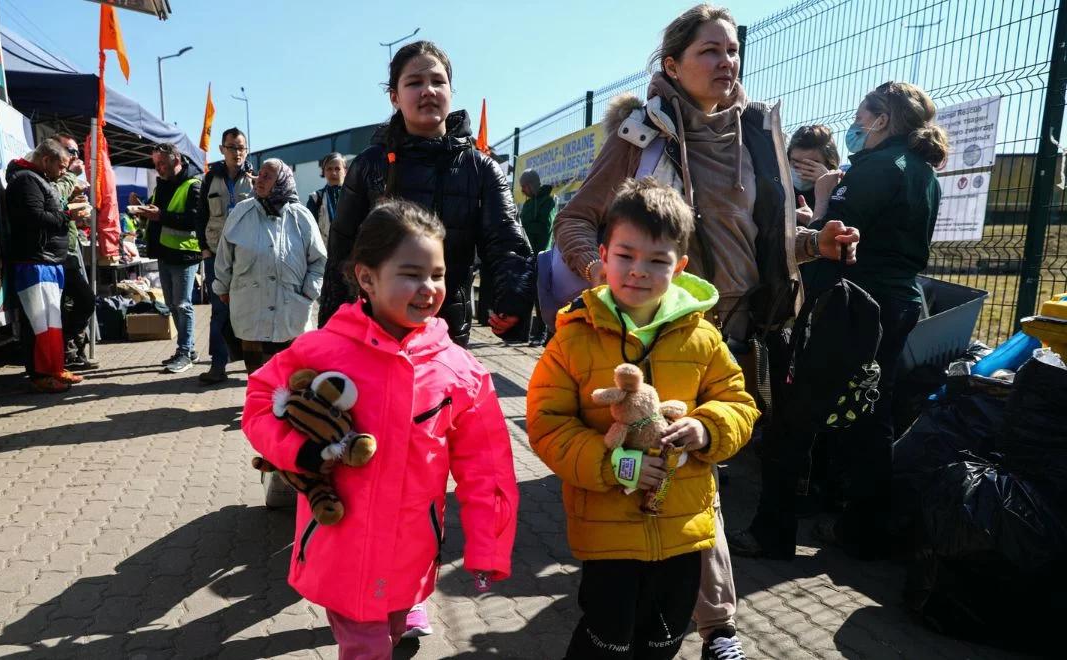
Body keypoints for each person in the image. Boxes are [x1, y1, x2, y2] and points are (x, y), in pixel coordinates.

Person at [548, 7, 861, 656]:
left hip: (732, 333)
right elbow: (576, 222)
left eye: (731, 52)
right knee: (673, 473)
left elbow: (768, 244)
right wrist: (610, 279)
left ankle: (699, 619)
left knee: (699, 466)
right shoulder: (642, 135)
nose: (727, 62)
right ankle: (705, 624)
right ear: (672, 65)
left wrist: (816, 242)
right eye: (709, 51)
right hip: (652, 333)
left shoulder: (757, 135)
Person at [242, 199, 518, 659]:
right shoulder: (321, 349)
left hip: (412, 549)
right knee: (367, 647)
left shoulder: (461, 371)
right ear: (366, 278)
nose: (428, 288)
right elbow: (259, 403)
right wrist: (300, 452)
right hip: (343, 544)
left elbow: (487, 468)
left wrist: (488, 547)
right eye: (411, 273)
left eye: (438, 274)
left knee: (389, 632)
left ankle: (404, 617)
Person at [528, 178, 758, 659]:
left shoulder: (702, 336)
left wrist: (707, 427)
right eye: (626, 256)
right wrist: (617, 465)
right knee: (606, 637)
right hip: (607, 529)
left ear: (679, 267)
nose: (639, 271)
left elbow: (739, 401)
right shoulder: (574, 337)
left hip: (683, 527)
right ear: (603, 256)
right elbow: (548, 422)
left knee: (664, 636)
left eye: (657, 261)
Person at [735, 82, 947, 561]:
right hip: (899, 301)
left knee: (794, 414)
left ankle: (773, 531)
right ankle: (865, 529)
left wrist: (826, 202)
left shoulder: (874, 168)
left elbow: (838, 243)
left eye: (862, 115)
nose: (857, 125)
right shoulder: (923, 173)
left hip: (852, 304)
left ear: (883, 119)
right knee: (872, 413)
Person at [317, 40, 534, 349]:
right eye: (414, 82)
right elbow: (342, 252)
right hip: (373, 332)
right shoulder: (369, 165)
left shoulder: (481, 168)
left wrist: (511, 300)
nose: (428, 90)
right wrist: (330, 334)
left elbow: (507, 243)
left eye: (437, 81)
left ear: (450, 91)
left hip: (448, 332)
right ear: (395, 97)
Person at [212, 159, 325, 375]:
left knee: (291, 373)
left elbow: (318, 260)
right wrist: (222, 288)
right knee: (256, 373)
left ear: (282, 181)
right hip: (249, 305)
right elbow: (224, 255)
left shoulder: (300, 216)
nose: (259, 180)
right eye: (260, 174)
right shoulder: (241, 212)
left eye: (267, 176)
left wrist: (309, 292)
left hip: (291, 305)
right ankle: (258, 406)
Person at [5, 139, 89, 393]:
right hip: (35, 261)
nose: (64, 171)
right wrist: (67, 216)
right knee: (39, 323)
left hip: (47, 261)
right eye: (61, 166)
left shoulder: (36, 179)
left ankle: (54, 368)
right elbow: (33, 217)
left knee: (50, 321)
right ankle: (41, 374)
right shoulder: (26, 180)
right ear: (45, 160)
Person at [133, 143, 205, 374]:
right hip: (164, 252)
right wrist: (141, 210)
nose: (158, 168)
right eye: (155, 164)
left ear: (176, 160)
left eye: (162, 163)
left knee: (183, 304)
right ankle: (188, 348)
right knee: (174, 304)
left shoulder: (194, 184)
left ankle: (185, 352)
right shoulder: (162, 184)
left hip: (185, 254)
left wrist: (160, 215)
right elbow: (156, 214)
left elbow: (195, 219)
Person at [196, 127, 255, 385]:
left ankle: (253, 365)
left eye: (241, 147)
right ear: (222, 149)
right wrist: (203, 247)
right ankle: (218, 366)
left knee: (250, 309)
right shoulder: (210, 179)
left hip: (246, 256)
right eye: (232, 147)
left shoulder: (255, 177)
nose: (237, 152)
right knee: (220, 310)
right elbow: (200, 214)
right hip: (215, 252)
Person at [44, 132, 98, 371]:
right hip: (55, 252)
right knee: (72, 302)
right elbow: (53, 200)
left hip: (72, 247)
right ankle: (67, 351)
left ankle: (76, 350)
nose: (75, 157)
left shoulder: (66, 176)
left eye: (77, 152)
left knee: (84, 301)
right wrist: (71, 181)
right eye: (70, 151)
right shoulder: (47, 176)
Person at [518, 169, 556, 346]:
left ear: (531, 185)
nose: (522, 190)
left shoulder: (549, 202)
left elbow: (544, 229)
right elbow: (522, 226)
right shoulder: (526, 205)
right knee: (526, 293)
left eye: (524, 186)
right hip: (526, 255)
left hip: (542, 256)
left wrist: (526, 228)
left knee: (541, 297)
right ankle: (524, 331)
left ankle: (542, 333)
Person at [306, 152, 347, 246]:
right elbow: (309, 231)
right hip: (325, 254)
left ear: (345, 171)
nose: (333, 173)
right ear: (323, 172)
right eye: (329, 169)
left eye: (337, 168)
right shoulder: (315, 198)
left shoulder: (355, 196)